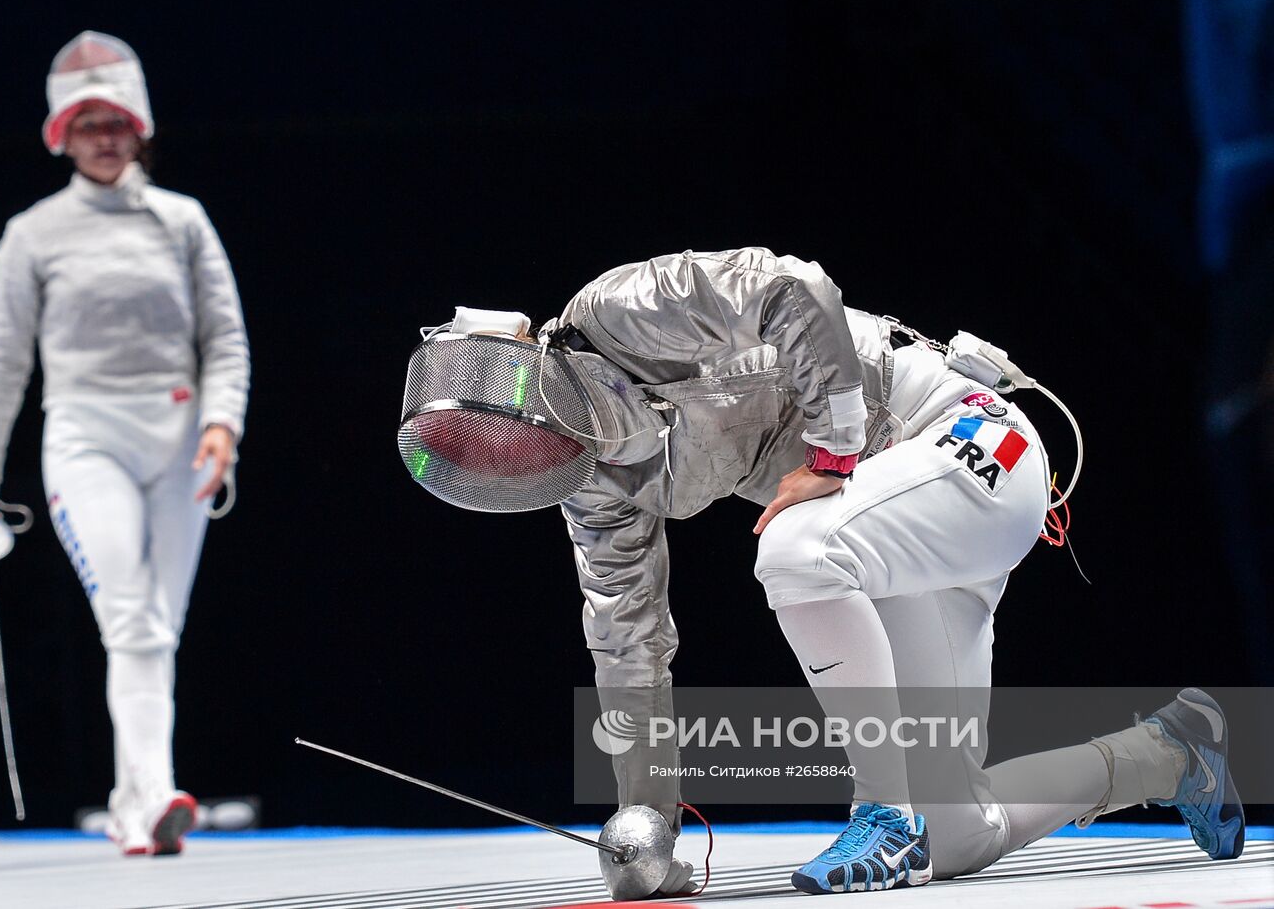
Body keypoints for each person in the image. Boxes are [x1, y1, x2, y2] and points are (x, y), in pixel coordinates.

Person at [398, 248, 1244, 898]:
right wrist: (649, 827)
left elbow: (797, 288)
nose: (510, 457)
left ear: (517, 376)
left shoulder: (621, 311)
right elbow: (628, 646)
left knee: (795, 549)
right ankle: (1171, 751)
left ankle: (881, 817)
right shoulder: (597, 488)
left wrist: (835, 453)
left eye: (501, 435)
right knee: (958, 833)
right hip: (899, 536)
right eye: (492, 461)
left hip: (967, 439)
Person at [0, 30, 250, 856]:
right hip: (86, 438)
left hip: (182, 440)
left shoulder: (182, 221)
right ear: (62, 135)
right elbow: (1, 367)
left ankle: (131, 802)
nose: (104, 137)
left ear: (138, 127)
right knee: (132, 618)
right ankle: (153, 796)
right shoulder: (33, 234)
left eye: (115, 121)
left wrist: (222, 424)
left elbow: (225, 340)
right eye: (87, 124)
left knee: (156, 627)